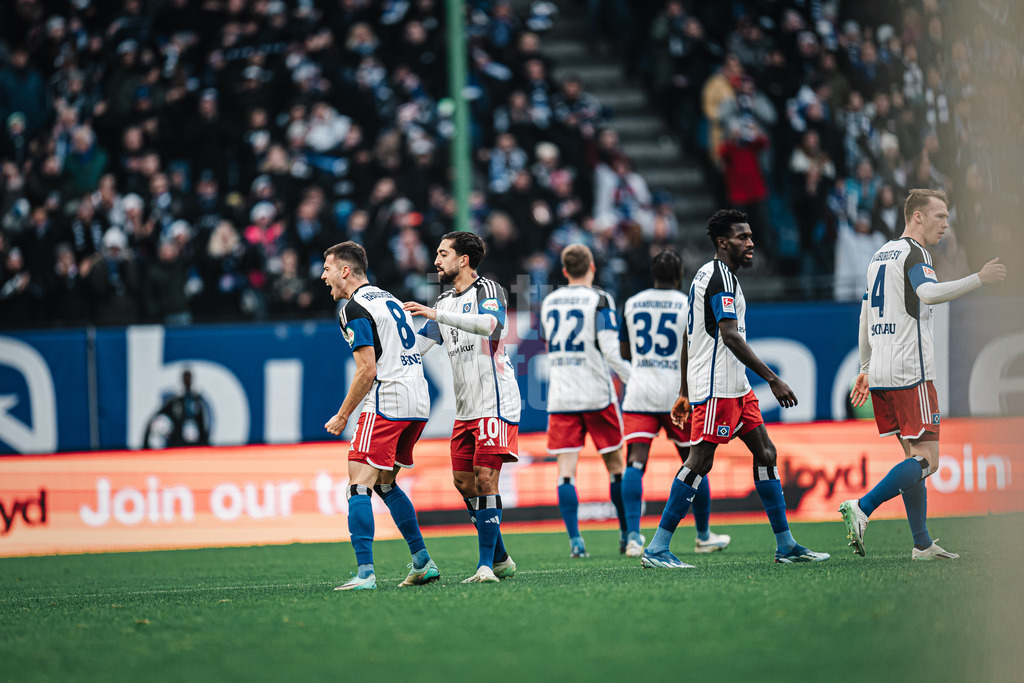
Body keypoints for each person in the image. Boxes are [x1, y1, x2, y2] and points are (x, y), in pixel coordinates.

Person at [644, 209, 831, 568]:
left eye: (750, 236)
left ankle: (786, 545)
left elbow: (689, 335)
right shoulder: (720, 279)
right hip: (717, 386)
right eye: (742, 237)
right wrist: (773, 378)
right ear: (722, 242)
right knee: (699, 461)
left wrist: (683, 391)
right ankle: (657, 548)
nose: (751, 243)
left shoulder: (707, 275)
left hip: (734, 386)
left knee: (766, 452)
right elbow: (729, 336)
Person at [840, 189, 1007, 561]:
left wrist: (865, 369)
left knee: (913, 459)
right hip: (910, 371)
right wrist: (977, 278)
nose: (945, 224)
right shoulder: (916, 253)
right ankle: (863, 507)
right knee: (930, 461)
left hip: (883, 370)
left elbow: (865, 317)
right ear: (917, 217)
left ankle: (921, 543)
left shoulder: (879, 255)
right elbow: (928, 295)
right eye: (939, 216)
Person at [321, 241, 439, 591]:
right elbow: (414, 344)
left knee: (358, 483)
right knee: (385, 483)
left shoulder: (352, 307)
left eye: (327, 269)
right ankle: (422, 561)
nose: (323, 276)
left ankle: (365, 574)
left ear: (345, 270)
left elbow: (367, 369)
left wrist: (343, 415)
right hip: (419, 399)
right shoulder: (387, 298)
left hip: (387, 398)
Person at [403, 231, 520, 584]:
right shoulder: (443, 301)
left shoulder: (489, 290)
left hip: (495, 401)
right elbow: (420, 344)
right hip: (466, 406)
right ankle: (500, 557)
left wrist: (438, 313)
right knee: (462, 481)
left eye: (442, 254)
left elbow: (492, 325)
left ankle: (485, 567)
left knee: (486, 478)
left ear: (463, 260)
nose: (436, 261)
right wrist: (385, 360)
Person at [618, 249, 731, 558]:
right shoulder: (687, 303)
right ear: (681, 275)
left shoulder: (632, 303)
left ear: (652, 274)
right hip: (678, 393)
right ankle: (703, 535)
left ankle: (631, 538)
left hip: (640, 391)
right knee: (695, 462)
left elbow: (625, 351)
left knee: (635, 462)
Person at [539, 244, 632, 557]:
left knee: (566, 470)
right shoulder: (601, 299)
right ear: (592, 265)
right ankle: (627, 534)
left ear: (564, 271)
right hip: (596, 393)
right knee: (616, 467)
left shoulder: (549, 301)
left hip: (562, 396)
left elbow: (547, 340)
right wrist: (634, 377)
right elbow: (610, 350)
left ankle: (576, 542)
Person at [142, 370, 210, 449]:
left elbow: (202, 423)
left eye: (189, 378)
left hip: (196, 444)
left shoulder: (197, 400)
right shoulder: (175, 401)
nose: (187, 381)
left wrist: (205, 442)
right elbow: (157, 416)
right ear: (182, 380)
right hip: (178, 444)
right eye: (186, 378)